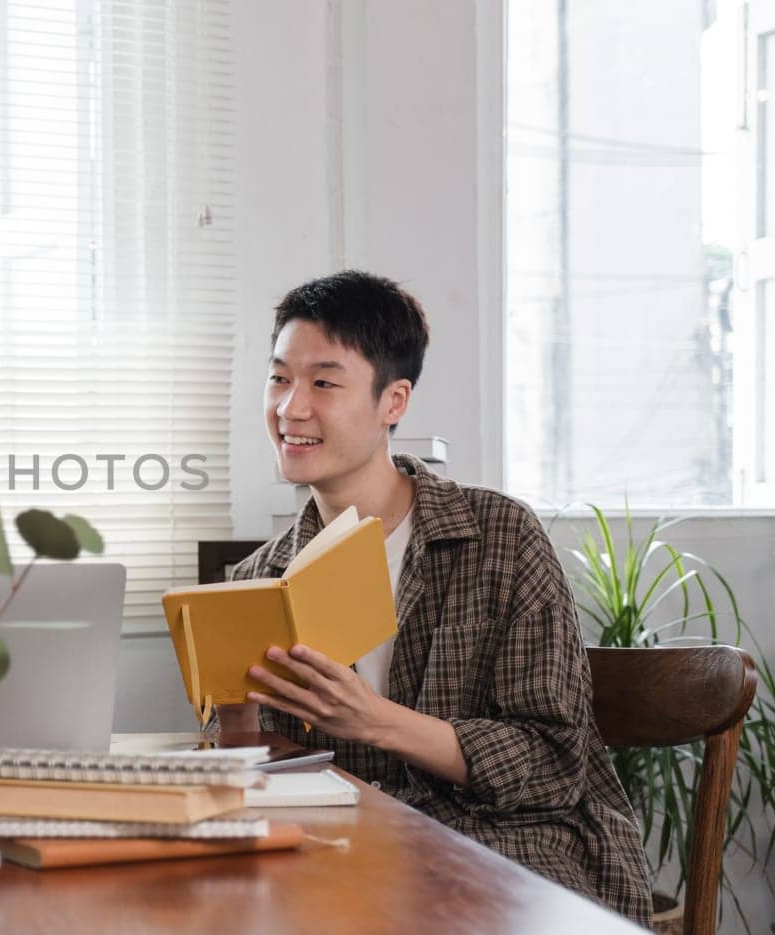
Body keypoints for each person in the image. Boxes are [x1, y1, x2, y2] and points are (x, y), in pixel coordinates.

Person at [229, 270, 651, 924]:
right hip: (340, 861)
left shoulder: (502, 537)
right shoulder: (256, 581)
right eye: (280, 377)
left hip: (509, 851)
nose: (291, 408)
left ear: (393, 401)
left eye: (323, 382)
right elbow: (249, 785)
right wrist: (234, 715)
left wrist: (373, 720)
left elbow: (554, 763)